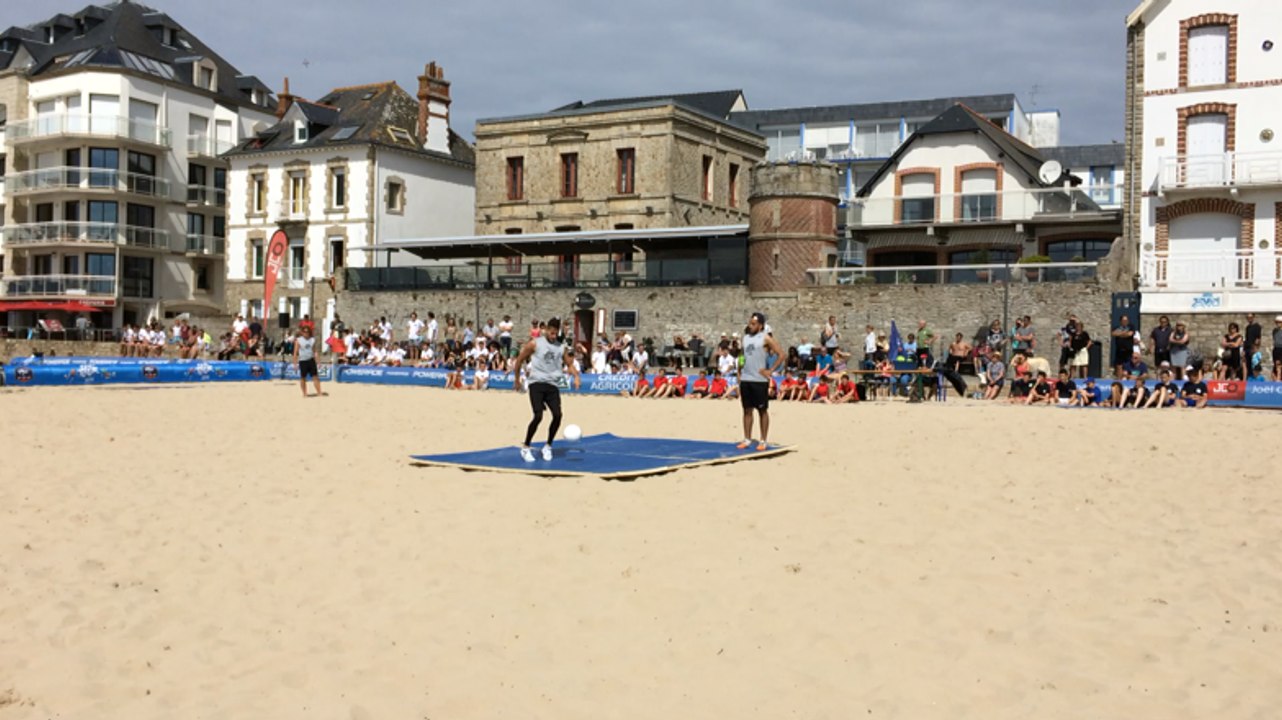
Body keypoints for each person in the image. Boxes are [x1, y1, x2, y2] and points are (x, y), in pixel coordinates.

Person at [513, 317, 580, 462]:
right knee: (538, 416)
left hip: (552, 385)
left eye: (556, 333)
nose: (554, 336)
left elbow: (569, 364)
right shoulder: (535, 344)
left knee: (557, 415)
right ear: (546, 330)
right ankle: (525, 447)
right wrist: (517, 379)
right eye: (552, 333)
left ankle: (548, 446)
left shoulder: (561, 347)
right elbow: (519, 360)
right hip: (536, 383)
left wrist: (576, 376)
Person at [737, 312, 784, 451]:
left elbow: (781, 354)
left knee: (762, 410)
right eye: (750, 323)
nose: (750, 326)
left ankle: (763, 440)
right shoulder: (745, 338)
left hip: (759, 379)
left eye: (753, 323)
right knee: (746, 410)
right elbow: (742, 355)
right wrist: (739, 370)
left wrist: (771, 370)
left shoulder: (766, 338)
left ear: (760, 325)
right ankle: (747, 438)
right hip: (746, 378)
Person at [292, 324, 324, 398]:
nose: (306, 333)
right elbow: (295, 353)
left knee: (315, 377)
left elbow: (315, 351)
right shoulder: (298, 340)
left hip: (311, 360)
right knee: (303, 377)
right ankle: (304, 393)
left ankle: (319, 392)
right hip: (303, 361)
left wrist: (318, 362)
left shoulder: (312, 340)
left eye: (307, 332)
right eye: (304, 332)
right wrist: (295, 364)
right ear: (302, 332)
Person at [1243, 313, 1262, 380]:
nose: (1249, 319)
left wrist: (1255, 348)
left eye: (1251, 317)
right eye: (1248, 317)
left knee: (1254, 364)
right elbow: (1247, 338)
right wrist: (1244, 349)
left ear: (1253, 317)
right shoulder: (1247, 327)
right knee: (1248, 364)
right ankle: (1249, 379)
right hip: (1247, 348)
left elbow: (1258, 338)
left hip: (1253, 348)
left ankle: (1256, 379)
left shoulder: (1257, 326)